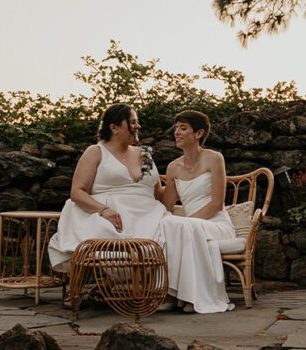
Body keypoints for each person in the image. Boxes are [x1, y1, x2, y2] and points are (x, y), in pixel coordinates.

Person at [48, 102, 166, 272]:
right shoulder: (96, 152)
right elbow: (77, 191)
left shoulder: (145, 154)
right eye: (132, 122)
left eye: (137, 122)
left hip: (149, 214)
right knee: (109, 238)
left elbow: (156, 193)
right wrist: (103, 209)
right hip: (113, 215)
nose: (138, 126)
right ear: (114, 127)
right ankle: (112, 285)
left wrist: (180, 180)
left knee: (174, 231)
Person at [159, 110, 235, 313]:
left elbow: (217, 204)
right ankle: (173, 294)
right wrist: (145, 182)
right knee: (166, 223)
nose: (177, 132)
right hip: (192, 226)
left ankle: (192, 297)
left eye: (183, 128)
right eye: (176, 128)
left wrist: (186, 223)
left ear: (199, 133)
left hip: (216, 223)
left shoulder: (214, 158)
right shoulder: (173, 167)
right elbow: (166, 206)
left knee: (182, 226)